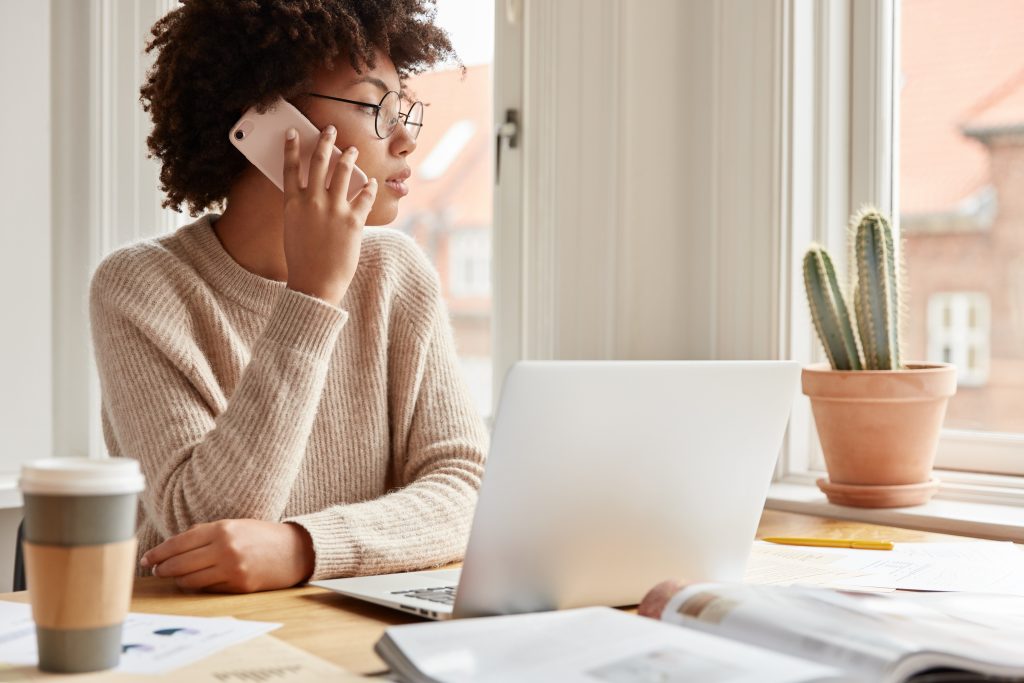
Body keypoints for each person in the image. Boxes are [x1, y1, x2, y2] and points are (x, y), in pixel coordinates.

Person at [88, 0, 488, 594]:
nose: (404, 139)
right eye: (375, 106)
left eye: (404, 107)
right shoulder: (141, 288)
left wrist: (304, 547)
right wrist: (313, 296)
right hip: (201, 640)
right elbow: (209, 532)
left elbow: (466, 489)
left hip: (353, 633)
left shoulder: (396, 273)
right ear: (272, 125)